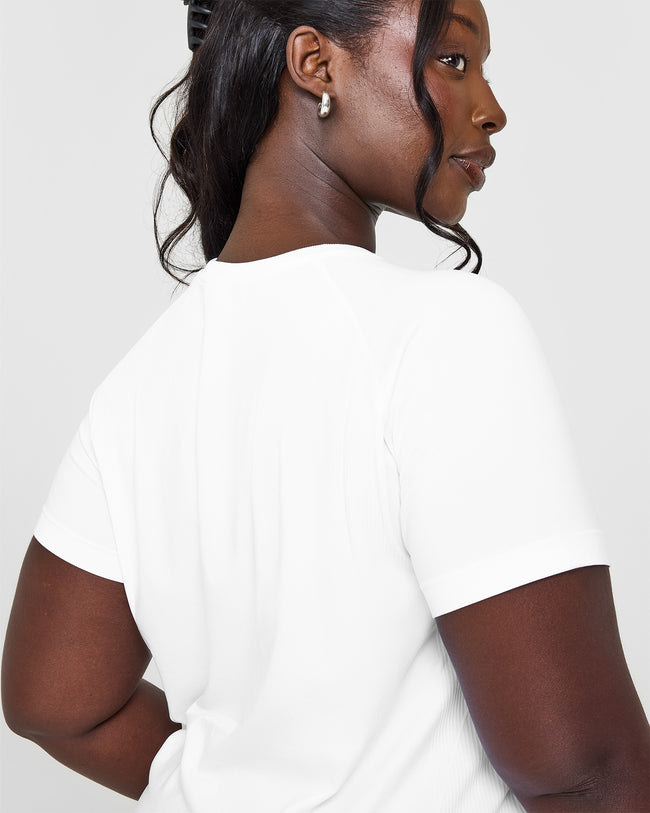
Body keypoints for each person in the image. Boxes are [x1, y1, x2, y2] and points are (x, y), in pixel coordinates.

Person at [2, 0, 649, 810]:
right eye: (453, 60)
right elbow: (589, 767)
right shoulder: (444, 332)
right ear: (316, 65)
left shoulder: (137, 387)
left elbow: (53, 700)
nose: (491, 108)